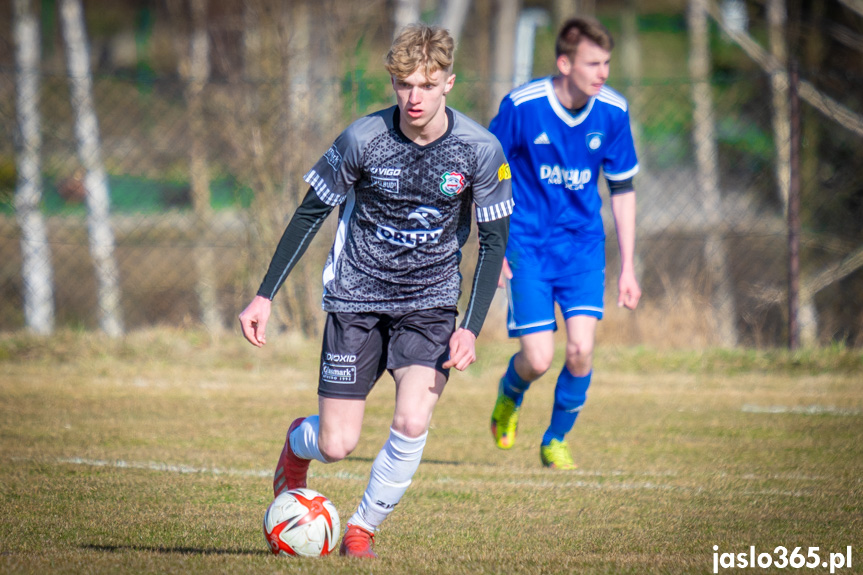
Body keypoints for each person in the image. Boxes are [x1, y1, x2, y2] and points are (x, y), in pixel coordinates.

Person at [239, 24, 512, 558]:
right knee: (338, 445)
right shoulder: (362, 139)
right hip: (356, 301)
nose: (414, 97)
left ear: (448, 84)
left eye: (427, 86)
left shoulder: (480, 149)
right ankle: (298, 445)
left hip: (429, 305)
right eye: (404, 84)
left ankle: (361, 528)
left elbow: (494, 240)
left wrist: (470, 327)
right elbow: (309, 215)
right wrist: (263, 295)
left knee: (412, 418)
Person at [487, 17, 640, 470]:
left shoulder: (613, 110)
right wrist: (491, 247)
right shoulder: (523, 105)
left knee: (580, 351)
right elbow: (487, 173)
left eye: (607, 63)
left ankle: (555, 439)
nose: (603, 72)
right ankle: (509, 395)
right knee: (537, 358)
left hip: (582, 249)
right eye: (593, 63)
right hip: (528, 247)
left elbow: (623, 189)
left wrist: (628, 266)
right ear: (564, 63)